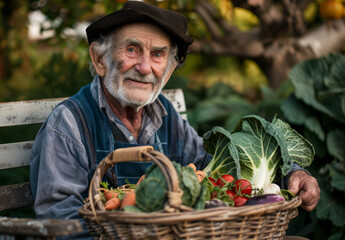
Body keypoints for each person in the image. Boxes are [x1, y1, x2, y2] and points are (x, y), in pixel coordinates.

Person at [30, 0, 320, 238]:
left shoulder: (164, 116)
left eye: (157, 55)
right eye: (132, 49)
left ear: (167, 71)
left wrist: (291, 173)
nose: (145, 67)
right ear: (100, 60)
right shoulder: (70, 123)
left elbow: (214, 165)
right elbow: (60, 222)